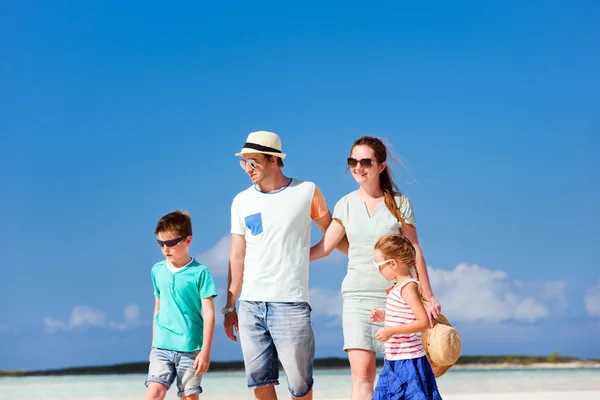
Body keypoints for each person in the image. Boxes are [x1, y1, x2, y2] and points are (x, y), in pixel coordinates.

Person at [310, 136, 441, 399]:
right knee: (362, 376)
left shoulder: (400, 203)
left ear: (380, 166)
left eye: (365, 161)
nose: (358, 167)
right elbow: (323, 248)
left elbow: (414, 251)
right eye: (352, 162)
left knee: (405, 373)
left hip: (398, 298)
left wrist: (428, 296)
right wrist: (284, 255)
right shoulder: (345, 204)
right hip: (357, 297)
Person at [224, 130, 346, 400]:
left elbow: (335, 233)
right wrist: (230, 305)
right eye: (243, 163)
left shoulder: (306, 191)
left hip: (290, 303)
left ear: (273, 160)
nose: (247, 169)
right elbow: (236, 257)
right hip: (250, 306)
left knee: (300, 386)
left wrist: (309, 255)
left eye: (253, 162)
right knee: (259, 383)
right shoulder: (241, 201)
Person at [145, 210, 218, 400]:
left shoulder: (200, 273)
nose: (165, 248)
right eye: (161, 243)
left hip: (191, 348)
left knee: (189, 397)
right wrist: (153, 346)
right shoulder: (157, 271)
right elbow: (158, 308)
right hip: (161, 346)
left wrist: (205, 351)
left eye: (171, 243)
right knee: (154, 393)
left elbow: (209, 315)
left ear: (188, 240)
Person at [370, 233, 442, 400]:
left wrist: (391, 331)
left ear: (393, 263)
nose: (378, 270)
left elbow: (423, 322)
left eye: (379, 265)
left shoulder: (407, 287)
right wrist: (385, 317)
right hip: (394, 360)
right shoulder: (398, 288)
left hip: (408, 361)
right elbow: (406, 315)